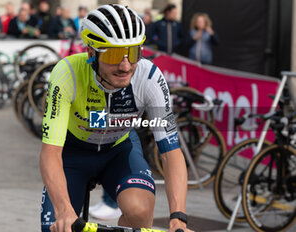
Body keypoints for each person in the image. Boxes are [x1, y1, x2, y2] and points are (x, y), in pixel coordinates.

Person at [40, 4, 191, 232]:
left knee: (140, 211)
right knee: (59, 227)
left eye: (133, 53)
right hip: (72, 153)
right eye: (112, 54)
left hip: (119, 149)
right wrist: (63, 210)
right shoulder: (67, 73)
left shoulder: (149, 77)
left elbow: (170, 152)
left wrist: (178, 216)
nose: (125, 65)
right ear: (91, 52)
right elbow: (50, 152)